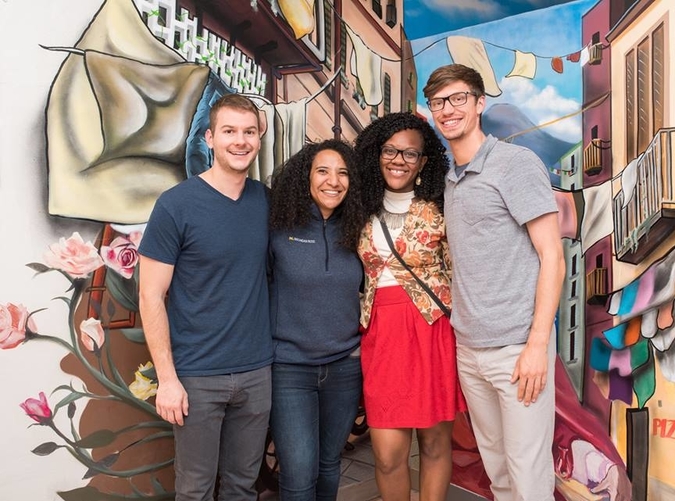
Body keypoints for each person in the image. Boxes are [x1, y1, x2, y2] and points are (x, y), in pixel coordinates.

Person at [423, 63, 565, 501]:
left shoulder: (513, 164)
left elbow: (553, 257)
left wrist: (537, 346)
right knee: (499, 473)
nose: (448, 109)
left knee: (528, 476)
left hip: (518, 350)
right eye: (438, 102)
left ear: (480, 103)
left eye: (458, 98)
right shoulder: (450, 179)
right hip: (470, 350)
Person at [138, 94, 273, 501]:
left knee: (242, 487)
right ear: (210, 138)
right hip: (196, 377)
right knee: (195, 489)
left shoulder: (265, 201)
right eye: (229, 131)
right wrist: (167, 380)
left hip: (256, 373)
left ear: (259, 139)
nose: (240, 140)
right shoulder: (176, 205)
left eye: (249, 132)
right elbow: (150, 296)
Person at [354, 111, 466, 501]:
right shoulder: (359, 208)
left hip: (432, 331)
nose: (398, 160)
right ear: (376, 154)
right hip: (381, 334)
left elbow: (461, 272)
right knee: (387, 456)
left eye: (409, 154)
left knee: (435, 445)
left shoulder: (442, 207)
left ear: (423, 162)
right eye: (390, 150)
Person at [267, 139, 365, 500]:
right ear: (305, 177)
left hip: (344, 367)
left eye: (342, 173)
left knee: (328, 464)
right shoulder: (279, 226)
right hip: (289, 369)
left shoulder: (357, 230)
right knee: (298, 471)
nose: (333, 181)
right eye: (323, 171)